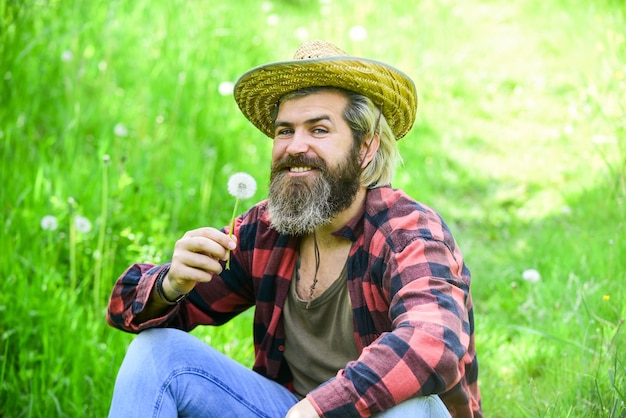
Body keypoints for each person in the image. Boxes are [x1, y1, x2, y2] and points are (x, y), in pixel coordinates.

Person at [107, 40, 482, 418]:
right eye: (285, 131)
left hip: (345, 413)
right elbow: (123, 307)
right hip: (289, 410)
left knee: (411, 410)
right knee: (157, 353)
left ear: (365, 148)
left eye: (318, 130)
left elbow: (434, 345)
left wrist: (318, 409)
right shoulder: (266, 229)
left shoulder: (408, 233)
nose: (295, 146)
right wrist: (170, 285)